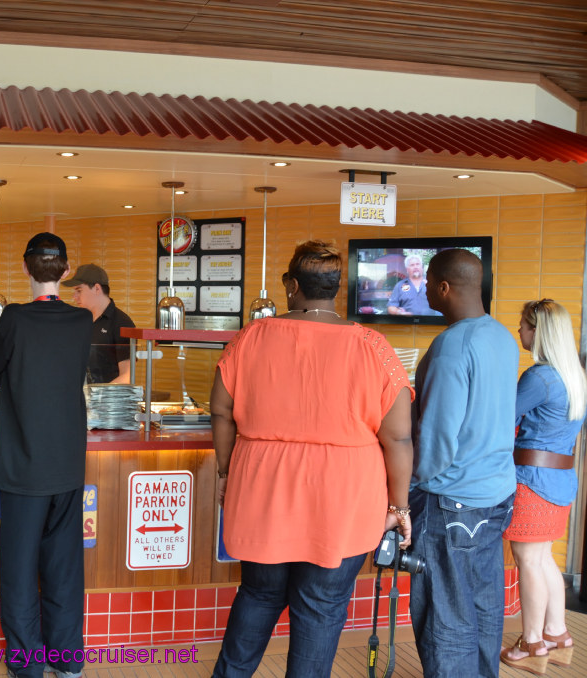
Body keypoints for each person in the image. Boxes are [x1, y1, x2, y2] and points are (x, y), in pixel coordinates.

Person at [211, 240, 414, 678]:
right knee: (321, 607)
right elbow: (398, 437)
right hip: (344, 498)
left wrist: (226, 472)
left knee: (259, 594)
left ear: (291, 285)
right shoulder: (374, 346)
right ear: (337, 288)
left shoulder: (251, 336)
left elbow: (221, 411)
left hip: (263, 488)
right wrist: (399, 507)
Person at [0, 232, 93, 678]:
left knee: (19, 569)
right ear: (65, 271)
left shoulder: (14, 317)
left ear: (26, 268)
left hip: (22, 466)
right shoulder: (82, 320)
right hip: (67, 463)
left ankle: (27, 665)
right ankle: (67, 660)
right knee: (64, 567)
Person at [409, 247, 518, 678]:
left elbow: (438, 436)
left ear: (443, 287)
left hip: (450, 502)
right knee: (482, 604)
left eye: (428, 284)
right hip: (496, 496)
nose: (425, 293)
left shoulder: (452, 346)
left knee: (445, 616)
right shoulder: (501, 336)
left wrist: (409, 488)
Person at [499, 299, 586, 674]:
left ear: (537, 331)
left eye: (523, 325)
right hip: (560, 480)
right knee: (544, 557)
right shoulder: (574, 376)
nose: (519, 330)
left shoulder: (540, 377)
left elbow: (500, 417)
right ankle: (557, 633)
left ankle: (533, 642)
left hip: (532, 481)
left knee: (529, 561)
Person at [61, 263, 135, 383]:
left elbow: (128, 376)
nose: (74, 296)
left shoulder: (122, 323)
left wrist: (100, 394)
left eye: (79, 290)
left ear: (97, 288)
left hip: (108, 394)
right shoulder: (81, 321)